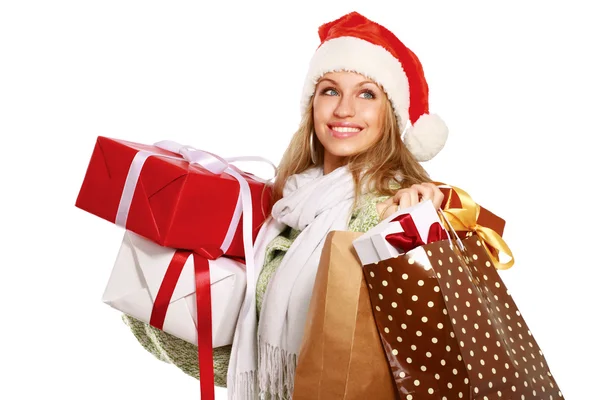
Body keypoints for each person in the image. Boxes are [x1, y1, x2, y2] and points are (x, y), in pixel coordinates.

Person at [122, 10, 449, 400]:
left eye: (367, 93)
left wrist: (423, 223)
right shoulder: (286, 210)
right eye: (329, 90)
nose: (344, 109)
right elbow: (257, 366)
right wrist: (151, 291)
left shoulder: (395, 208)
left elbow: (409, 357)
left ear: (391, 116)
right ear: (311, 106)